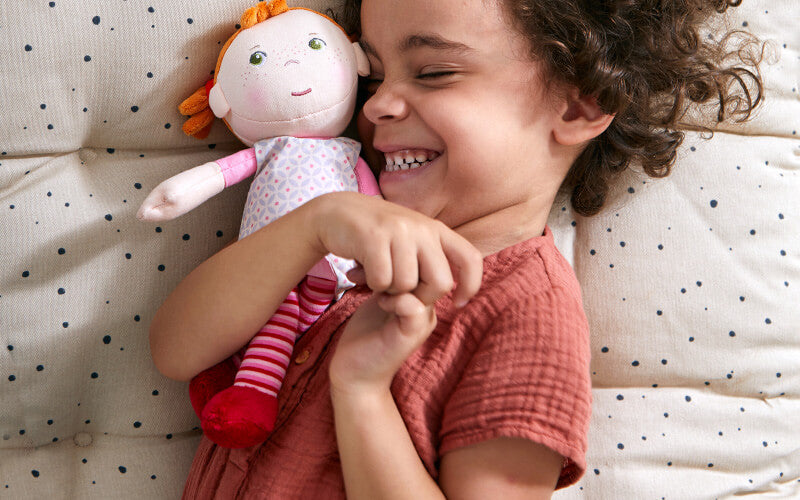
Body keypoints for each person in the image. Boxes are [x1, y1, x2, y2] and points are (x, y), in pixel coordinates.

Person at [148, 0, 763, 497]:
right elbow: (176, 350)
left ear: (578, 104)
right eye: (376, 74)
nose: (380, 104)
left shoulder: (527, 314)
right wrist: (316, 223)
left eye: (434, 72)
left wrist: (362, 392)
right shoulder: (343, 232)